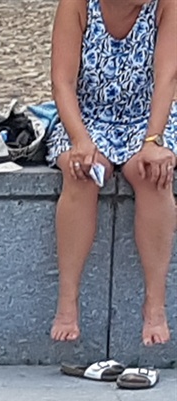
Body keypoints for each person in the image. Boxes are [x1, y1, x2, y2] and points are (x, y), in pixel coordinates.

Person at [48, 0, 176, 346]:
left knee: (153, 176)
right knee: (83, 173)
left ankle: (155, 304)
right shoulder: (77, 5)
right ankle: (67, 301)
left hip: (145, 117)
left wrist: (154, 139)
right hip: (86, 115)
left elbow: (167, 76)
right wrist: (80, 139)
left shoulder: (167, 5)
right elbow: (62, 81)